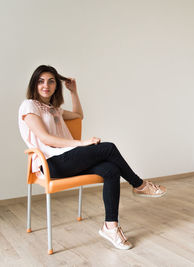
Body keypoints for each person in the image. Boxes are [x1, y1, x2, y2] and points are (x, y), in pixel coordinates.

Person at [18, 65, 166, 250]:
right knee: (108, 148)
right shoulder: (29, 105)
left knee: (111, 170)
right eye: (41, 81)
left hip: (67, 158)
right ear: (34, 84)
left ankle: (110, 227)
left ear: (56, 85)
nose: (45, 85)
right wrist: (81, 143)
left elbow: (79, 115)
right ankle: (139, 185)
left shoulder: (54, 109)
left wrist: (74, 92)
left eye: (51, 81)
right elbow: (46, 139)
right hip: (51, 163)